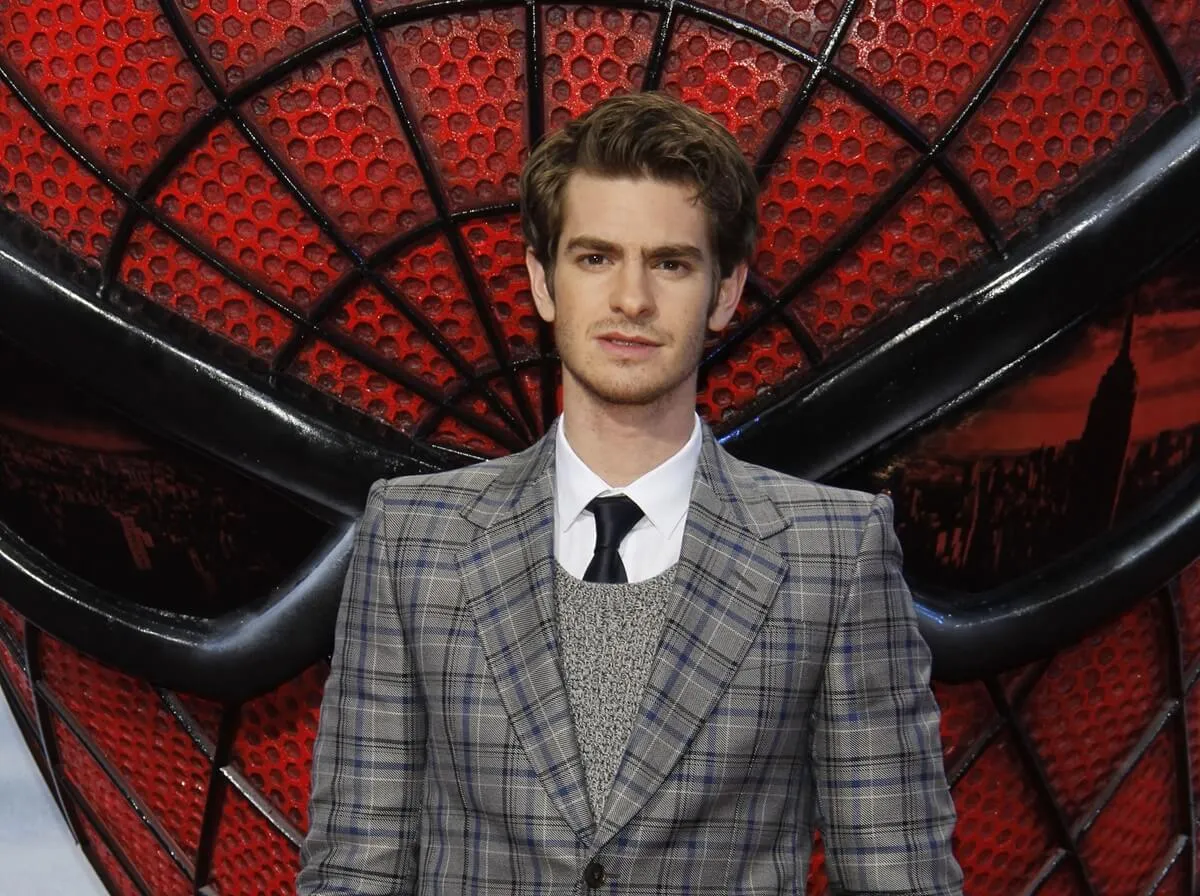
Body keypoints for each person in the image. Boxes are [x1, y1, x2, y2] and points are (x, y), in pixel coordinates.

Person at [298, 91, 962, 895]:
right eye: (596, 257)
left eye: (671, 263)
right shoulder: (412, 539)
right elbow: (355, 868)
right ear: (544, 284)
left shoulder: (834, 552)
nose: (632, 301)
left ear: (724, 292)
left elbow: (899, 877)